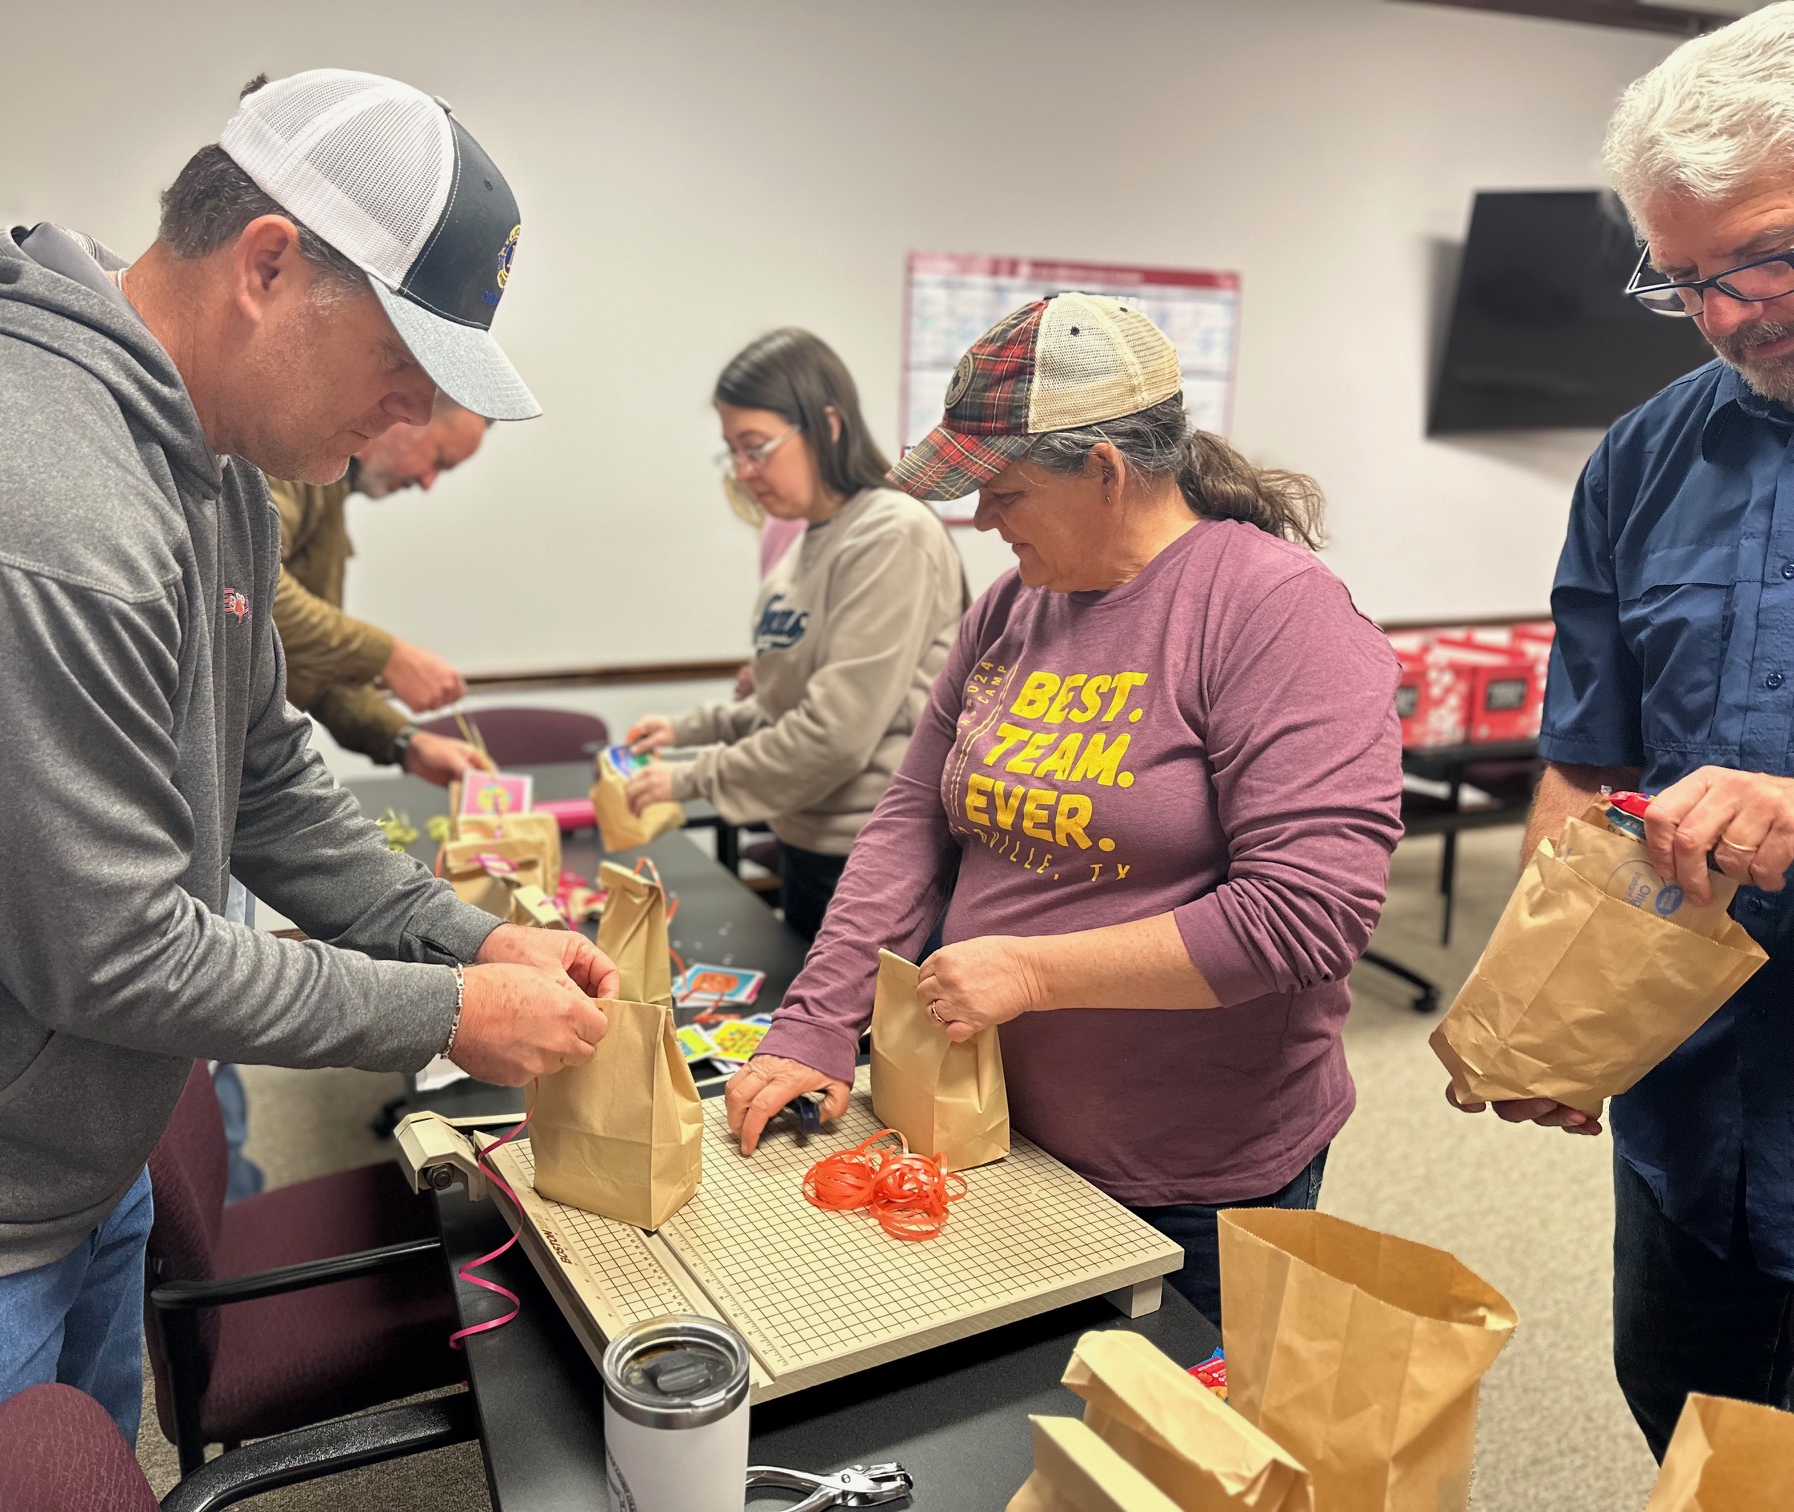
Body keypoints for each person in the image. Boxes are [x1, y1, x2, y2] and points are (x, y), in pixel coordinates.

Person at [0, 70, 614, 1512]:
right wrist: (449, 1011)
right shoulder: (7, 490)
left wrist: (463, 936)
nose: (414, 412)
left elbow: (269, 778)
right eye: (406, 361)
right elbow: (115, 950)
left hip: (60, 1172)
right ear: (270, 263)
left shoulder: (209, 473)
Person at [724, 296, 1403, 1324]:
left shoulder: (1278, 612)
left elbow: (1307, 915)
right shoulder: (1012, 607)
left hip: (1190, 1179)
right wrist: (815, 1022)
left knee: (1162, 1466)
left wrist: (1035, 971)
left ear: (1106, 472)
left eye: (1004, 492)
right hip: (993, 1129)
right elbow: (913, 822)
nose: (982, 524)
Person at [1444, 3, 1794, 1457]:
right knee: (1690, 1431)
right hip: (1691, 1121)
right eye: (1687, 280)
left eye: (1767, 256)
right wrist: (1545, 999)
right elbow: (1588, 761)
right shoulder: (1645, 458)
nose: (1728, 316)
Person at [624, 330, 966, 939]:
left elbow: (833, 735)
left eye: (756, 448)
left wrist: (689, 777)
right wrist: (690, 728)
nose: (744, 471)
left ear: (827, 425)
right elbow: (782, 704)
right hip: (805, 843)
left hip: (877, 860)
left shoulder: (891, 535)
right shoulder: (801, 547)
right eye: (732, 452)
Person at [266, 395, 495, 784]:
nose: (427, 483)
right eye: (438, 460)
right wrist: (390, 658)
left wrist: (407, 743)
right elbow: (254, 596)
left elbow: (308, 663)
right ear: (406, 414)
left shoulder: (328, 488)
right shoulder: (288, 459)